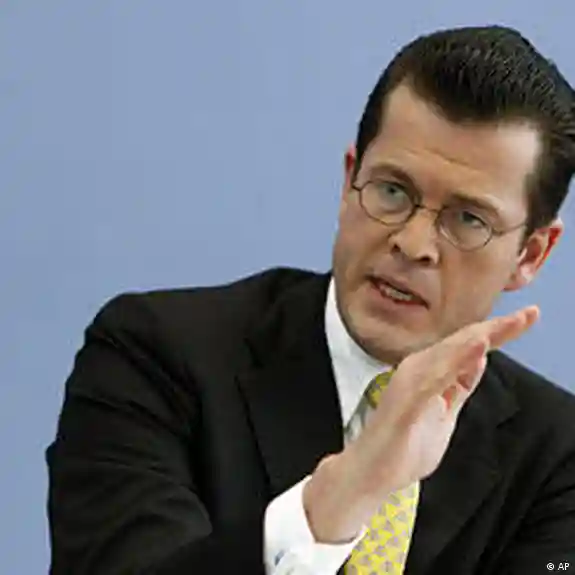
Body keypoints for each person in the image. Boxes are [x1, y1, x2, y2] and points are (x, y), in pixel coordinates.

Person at [47, 25, 575, 575]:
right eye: (392, 191)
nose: (413, 243)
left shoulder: (559, 456)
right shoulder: (155, 355)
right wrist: (334, 505)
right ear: (349, 181)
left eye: (468, 220)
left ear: (530, 254)